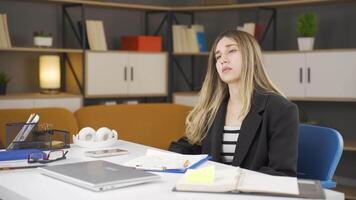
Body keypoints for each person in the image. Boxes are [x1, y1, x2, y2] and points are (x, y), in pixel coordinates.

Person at [169, 30, 299, 177]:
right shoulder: (212, 109)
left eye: (231, 51)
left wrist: (231, 181)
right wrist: (169, 161)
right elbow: (186, 146)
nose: (223, 59)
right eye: (218, 56)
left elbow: (281, 173)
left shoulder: (281, 110)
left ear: (251, 57)